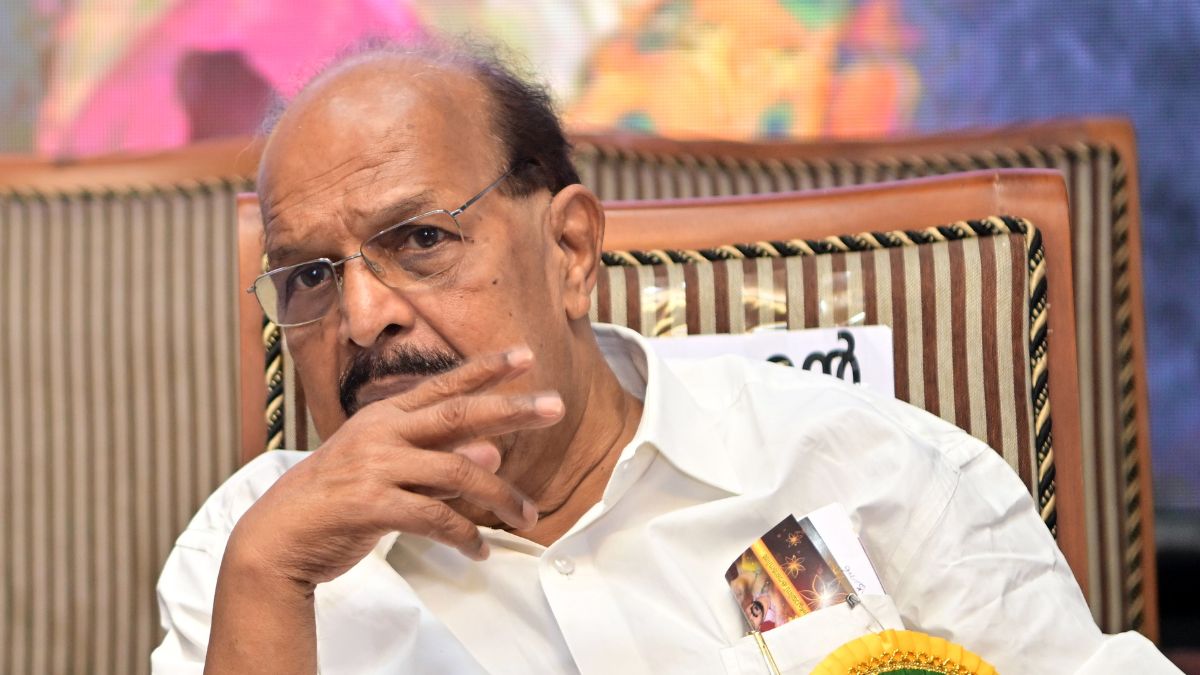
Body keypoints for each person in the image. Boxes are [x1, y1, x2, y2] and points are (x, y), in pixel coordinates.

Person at [152, 40, 1180, 674]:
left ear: (569, 250)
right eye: (310, 276)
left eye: (420, 239)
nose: (364, 314)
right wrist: (270, 580)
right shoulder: (253, 554)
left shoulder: (855, 465)